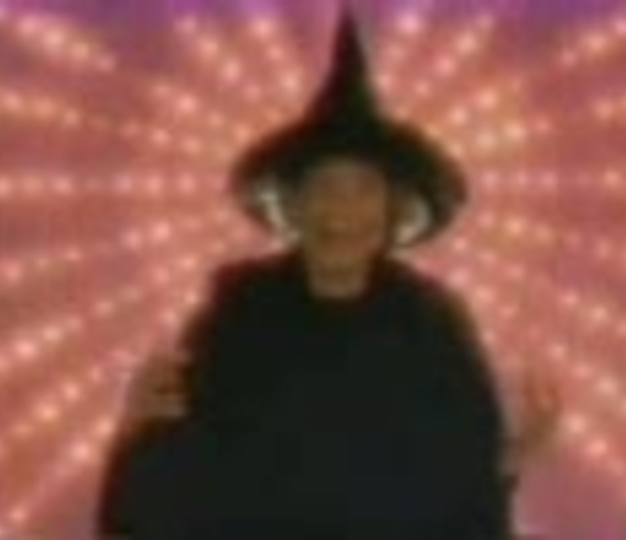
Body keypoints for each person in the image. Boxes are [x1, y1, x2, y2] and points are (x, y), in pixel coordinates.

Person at [98, 12, 560, 540]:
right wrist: (133, 432)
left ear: (390, 209)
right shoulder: (239, 314)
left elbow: (458, 490)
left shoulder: (431, 324)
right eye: (323, 188)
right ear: (293, 206)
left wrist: (509, 459)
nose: (341, 211)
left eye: (362, 190)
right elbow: (170, 486)